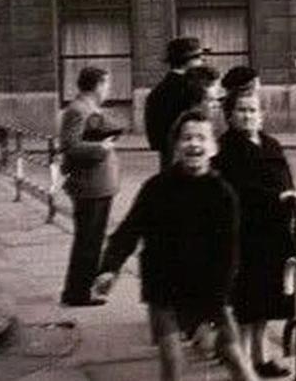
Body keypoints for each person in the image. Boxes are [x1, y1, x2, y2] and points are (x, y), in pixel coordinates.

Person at [93, 110, 255, 381]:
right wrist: (109, 268)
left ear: (213, 147)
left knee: (235, 357)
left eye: (201, 138)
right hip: (163, 288)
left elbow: (228, 258)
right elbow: (129, 231)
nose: (194, 144)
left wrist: (211, 317)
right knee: (172, 362)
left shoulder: (222, 194)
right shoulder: (157, 188)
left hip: (208, 290)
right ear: (177, 146)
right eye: (187, 138)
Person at [213, 72, 296, 378]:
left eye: (253, 110)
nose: (248, 115)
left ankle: (261, 357)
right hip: (245, 236)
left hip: (274, 235)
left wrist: (289, 197)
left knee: (267, 301)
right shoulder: (224, 149)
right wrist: (275, 197)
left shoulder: (271, 144)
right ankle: (244, 363)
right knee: (246, 305)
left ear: (262, 115)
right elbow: (237, 189)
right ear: (229, 116)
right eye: (241, 110)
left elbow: (285, 177)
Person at [59, 67, 120, 308]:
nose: (108, 90)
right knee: (88, 241)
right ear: (97, 85)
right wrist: (101, 148)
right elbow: (69, 146)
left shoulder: (89, 108)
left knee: (92, 240)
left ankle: (81, 290)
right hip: (89, 185)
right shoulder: (78, 109)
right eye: (106, 84)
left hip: (98, 184)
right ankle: (77, 293)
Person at [145, 37, 208, 172]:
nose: (202, 61)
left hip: (168, 150)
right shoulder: (188, 87)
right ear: (187, 60)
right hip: (186, 150)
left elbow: (153, 126)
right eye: (198, 57)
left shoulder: (161, 88)